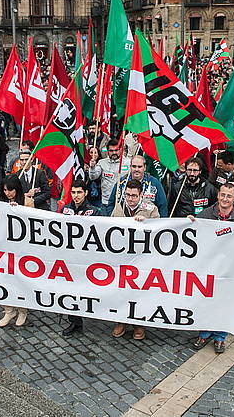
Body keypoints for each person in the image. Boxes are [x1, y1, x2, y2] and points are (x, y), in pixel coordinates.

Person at [191, 184, 234, 354]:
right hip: (209, 266)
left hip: (230, 269)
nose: (225, 199)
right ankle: (204, 333)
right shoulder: (206, 214)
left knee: (225, 302)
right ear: (218, 196)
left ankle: (220, 337)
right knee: (206, 299)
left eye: (229, 196)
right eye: (223, 195)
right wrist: (190, 222)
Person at [110, 179, 159, 340]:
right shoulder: (119, 207)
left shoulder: (151, 209)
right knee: (121, 290)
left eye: (134, 196)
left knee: (139, 292)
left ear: (141, 195)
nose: (131, 199)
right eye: (128, 195)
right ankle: (121, 321)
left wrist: (147, 224)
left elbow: (160, 230)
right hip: (122, 257)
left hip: (142, 258)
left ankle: (139, 324)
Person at [60, 179, 98, 336]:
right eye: (73, 192)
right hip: (69, 259)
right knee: (70, 290)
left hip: (87, 260)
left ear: (86, 193)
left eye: (79, 192)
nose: (76, 196)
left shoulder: (94, 211)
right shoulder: (65, 210)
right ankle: (75, 322)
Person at [0, 175, 30, 327]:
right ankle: (9, 309)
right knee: (4, 279)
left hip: (21, 249)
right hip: (5, 246)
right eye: (5, 190)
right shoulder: (2, 203)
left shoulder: (27, 202)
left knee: (19, 280)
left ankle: (22, 310)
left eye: (10, 190)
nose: (8, 193)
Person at [88, 139, 130, 212]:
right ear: (107, 151)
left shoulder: (128, 162)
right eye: (111, 151)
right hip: (106, 203)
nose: (114, 153)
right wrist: (92, 168)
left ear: (120, 150)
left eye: (116, 150)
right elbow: (93, 177)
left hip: (123, 202)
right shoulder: (102, 162)